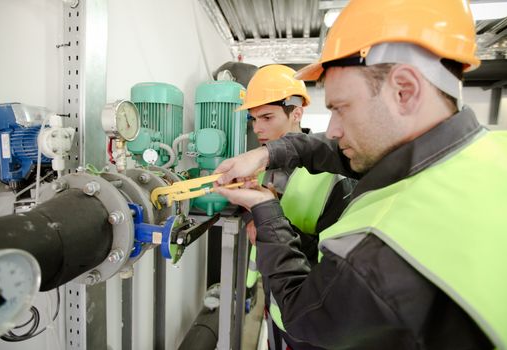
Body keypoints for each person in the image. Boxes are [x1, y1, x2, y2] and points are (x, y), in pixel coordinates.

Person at [213, 0, 507, 348]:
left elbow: (302, 311)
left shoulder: (377, 248)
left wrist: (266, 213)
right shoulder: (491, 152)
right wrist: (267, 153)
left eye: (341, 108)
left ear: (404, 90)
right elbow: (327, 150)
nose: (333, 130)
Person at [239, 64, 354, 350]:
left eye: (267, 117)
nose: (258, 128)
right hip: (275, 305)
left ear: (297, 113)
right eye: (253, 119)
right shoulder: (264, 165)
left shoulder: (335, 180)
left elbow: (331, 266)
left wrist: (271, 226)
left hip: (308, 328)